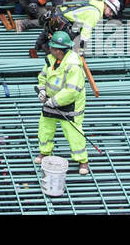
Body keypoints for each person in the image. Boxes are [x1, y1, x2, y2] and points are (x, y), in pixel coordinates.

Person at [36, 31, 90, 175]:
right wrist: (42, 90)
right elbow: (42, 76)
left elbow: (72, 91)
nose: (49, 49)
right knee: (45, 128)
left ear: (58, 50)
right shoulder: (51, 60)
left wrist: (54, 101)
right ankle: (44, 152)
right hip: (50, 101)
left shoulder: (73, 65)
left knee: (73, 133)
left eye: (52, 47)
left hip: (69, 104)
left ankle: (82, 161)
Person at [37, 0, 121, 54]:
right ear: (107, 5)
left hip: (57, 15)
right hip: (61, 21)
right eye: (111, 11)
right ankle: (49, 49)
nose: (111, 14)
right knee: (72, 40)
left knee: (50, 31)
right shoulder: (95, 13)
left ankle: (38, 45)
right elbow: (86, 32)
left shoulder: (94, 4)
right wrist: (81, 50)